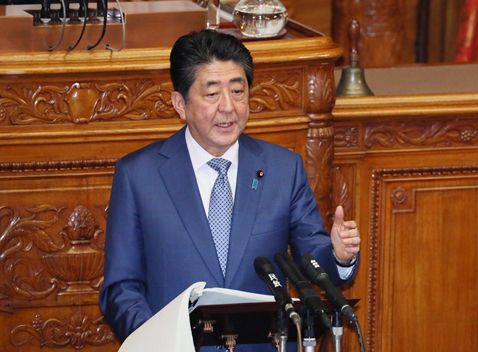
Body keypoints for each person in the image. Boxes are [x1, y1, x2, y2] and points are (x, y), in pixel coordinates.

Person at [100, 29, 360, 350]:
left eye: (238, 91)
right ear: (180, 104)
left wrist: (338, 255)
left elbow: (313, 259)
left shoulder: (282, 168)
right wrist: (158, 341)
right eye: (212, 95)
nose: (228, 107)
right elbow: (120, 288)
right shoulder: (139, 175)